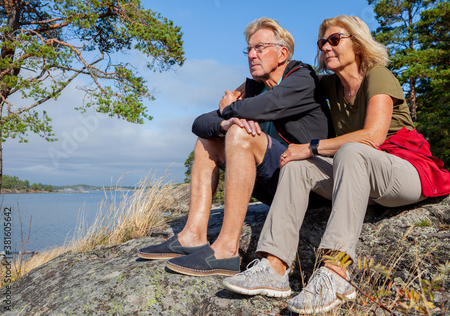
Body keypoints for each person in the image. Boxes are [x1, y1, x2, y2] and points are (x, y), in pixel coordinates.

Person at [222, 15, 450, 314]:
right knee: (296, 165)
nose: (326, 47)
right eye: (322, 43)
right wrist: (232, 101)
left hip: (405, 169)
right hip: (359, 175)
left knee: (346, 150)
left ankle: (336, 272)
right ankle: (274, 267)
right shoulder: (329, 85)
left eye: (335, 40)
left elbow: (373, 136)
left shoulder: (378, 75)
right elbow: (278, 79)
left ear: (357, 44)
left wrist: (312, 147)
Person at [137, 17, 333, 277]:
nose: (252, 55)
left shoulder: (302, 77)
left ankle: (227, 250)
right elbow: (200, 123)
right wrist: (225, 120)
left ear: (282, 53)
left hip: (308, 185)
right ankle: (192, 235)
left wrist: (227, 110)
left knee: (239, 132)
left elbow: (267, 106)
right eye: (249, 49)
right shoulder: (254, 88)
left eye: (260, 48)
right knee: (208, 138)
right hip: (276, 182)